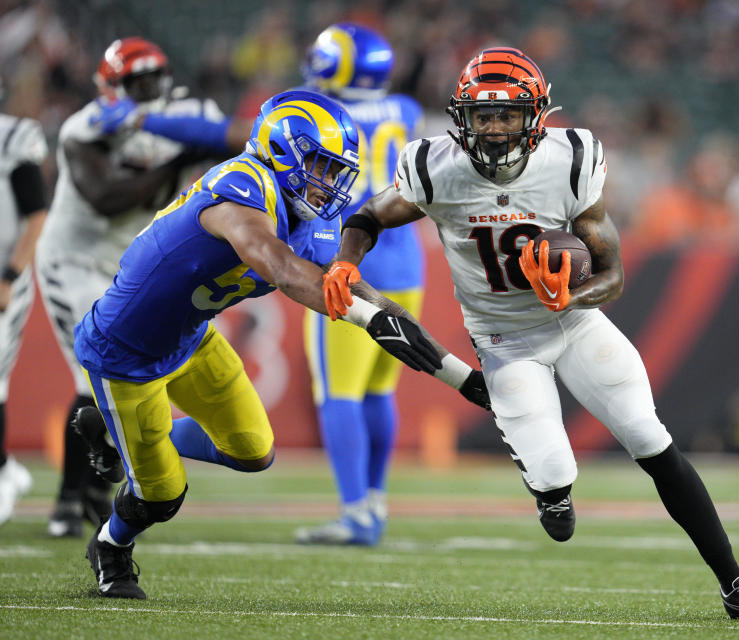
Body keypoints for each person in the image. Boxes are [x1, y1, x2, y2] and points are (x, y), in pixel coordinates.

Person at [323, 47, 739, 623]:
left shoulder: (571, 158)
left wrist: (569, 296)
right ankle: (550, 489)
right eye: (483, 115)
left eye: (507, 116)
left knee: (651, 440)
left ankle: (736, 584)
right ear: (463, 117)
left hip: (575, 323)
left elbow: (614, 274)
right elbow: (366, 218)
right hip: (503, 340)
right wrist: (345, 264)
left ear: (536, 116)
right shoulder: (435, 167)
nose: (495, 129)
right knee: (557, 479)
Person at [74, 89, 489, 600]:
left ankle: (118, 437)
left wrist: (463, 378)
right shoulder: (241, 185)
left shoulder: (311, 217)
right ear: (282, 149)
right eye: (320, 165)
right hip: (125, 351)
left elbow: (362, 291)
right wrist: (360, 316)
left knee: (254, 452)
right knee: (161, 495)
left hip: (191, 338)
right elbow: (281, 267)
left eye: (337, 171)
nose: (329, 183)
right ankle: (110, 547)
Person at [36, 36, 250, 538]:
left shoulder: (181, 114)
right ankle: (70, 499)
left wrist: (174, 129)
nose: (147, 90)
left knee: (109, 369)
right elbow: (106, 197)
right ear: (110, 88)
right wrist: (179, 157)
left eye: (153, 79)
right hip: (74, 257)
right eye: (135, 83)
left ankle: (94, 484)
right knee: (92, 371)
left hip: (128, 261)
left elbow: (243, 137)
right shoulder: (83, 127)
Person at [292, 23, 427, 546]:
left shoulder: (319, 111)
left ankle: (355, 514)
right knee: (377, 390)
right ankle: (374, 502)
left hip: (348, 257)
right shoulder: (407, 111)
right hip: (406, 263)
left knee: (338, 391)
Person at [0, 93, 48, 526]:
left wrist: (10, 275)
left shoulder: (11, 138)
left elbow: (36, 213)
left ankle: (1, 476)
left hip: (2, 277)